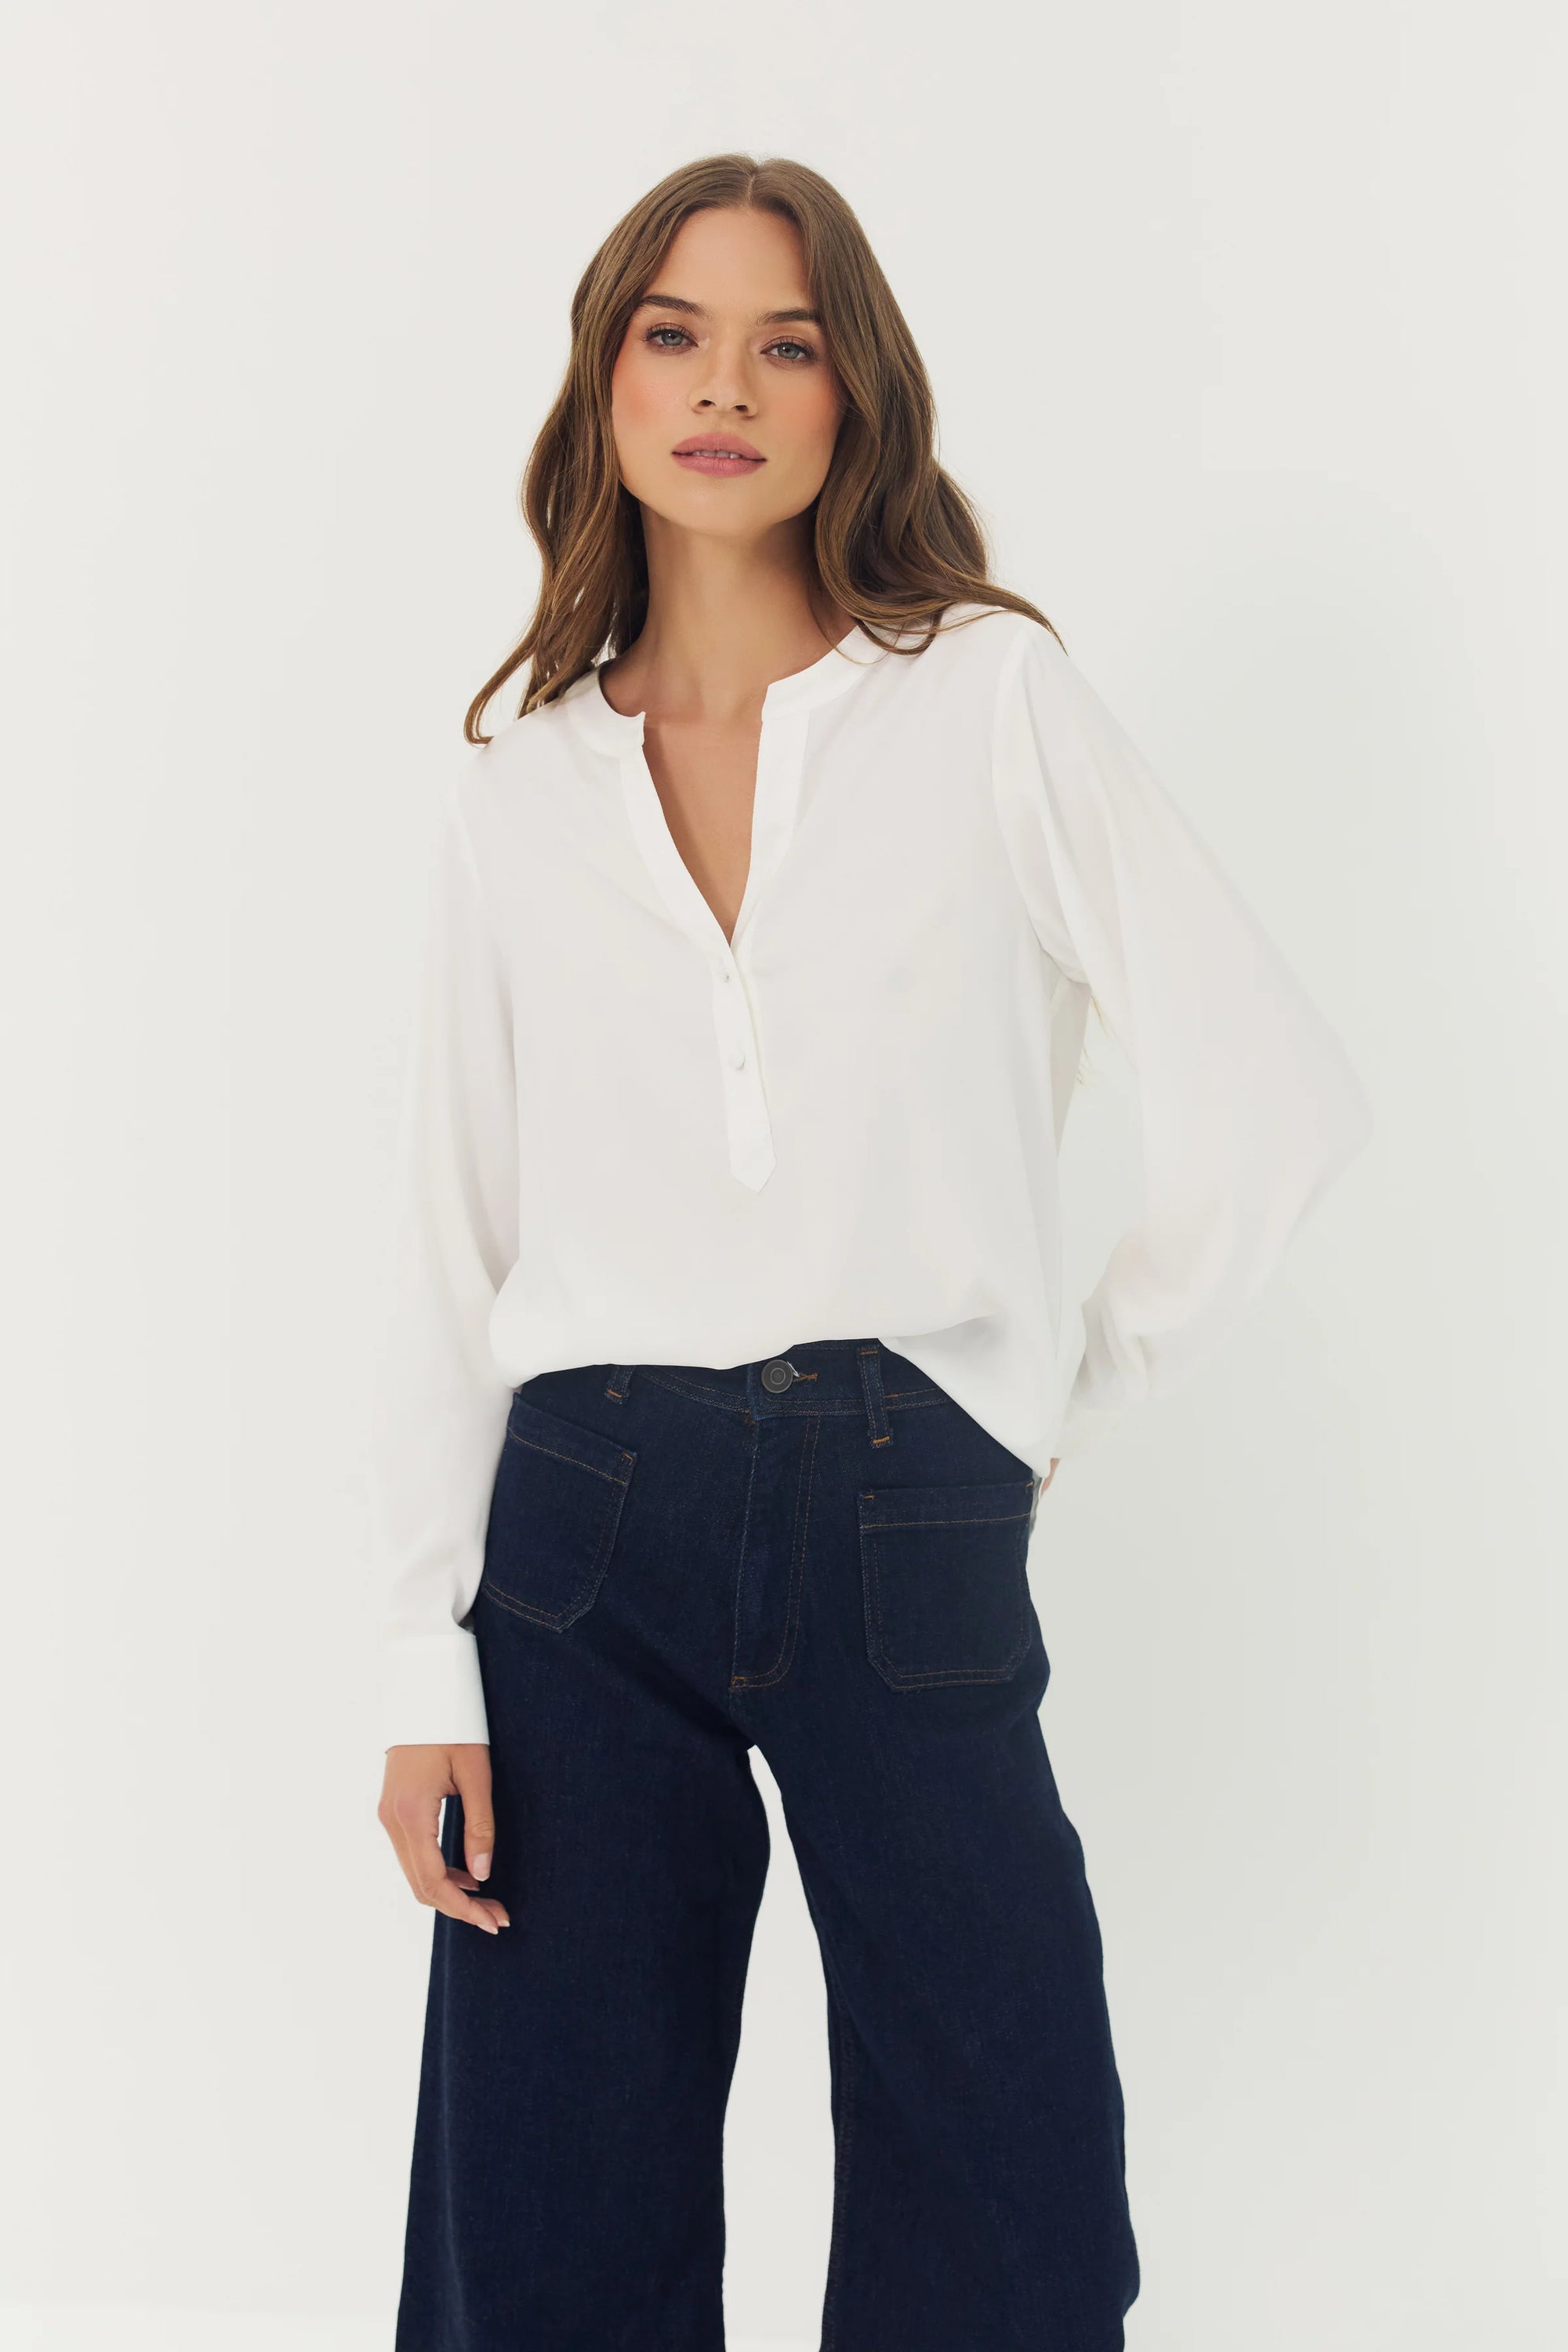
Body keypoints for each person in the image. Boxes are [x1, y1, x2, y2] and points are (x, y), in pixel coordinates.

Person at [369, 152, 1372, 2351]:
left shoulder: (983, 701)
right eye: (676, 333)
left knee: (1006, 2207)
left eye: (785, 341)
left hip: (898, 1503)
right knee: (543, 2228)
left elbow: (1276, 1094)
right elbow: (454, 1240)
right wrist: (416, 1666)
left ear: (853, 402)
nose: (725, 384)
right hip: (577, 1535)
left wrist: (1032, 1412)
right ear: (607, 382)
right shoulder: (515, 781)